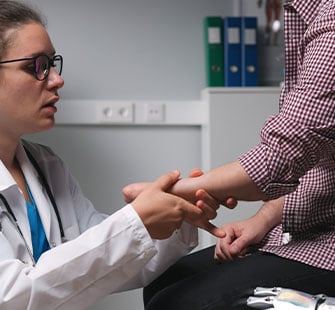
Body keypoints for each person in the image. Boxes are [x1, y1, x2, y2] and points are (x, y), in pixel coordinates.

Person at [0, 1, 224, 309]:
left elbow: (107, 264)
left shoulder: (47, 166)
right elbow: (10, 296)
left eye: (53, 64)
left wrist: (171, 214)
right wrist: (136, 222)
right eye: (36, 66)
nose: (56, 79)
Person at [123, 0, 335, 308]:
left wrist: (173, 192)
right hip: (318, 233)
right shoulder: (308, 14)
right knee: (165, 282)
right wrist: (262, 219)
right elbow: (321, 163)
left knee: (178, 302)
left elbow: (282, 156)